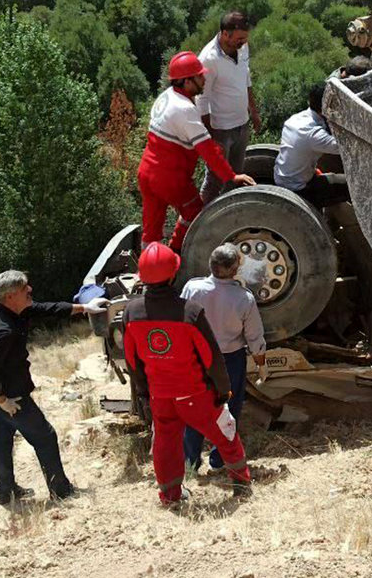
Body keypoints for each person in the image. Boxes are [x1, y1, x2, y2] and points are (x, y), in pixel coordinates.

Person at [123, 242, 252, 505]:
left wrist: (144, 392)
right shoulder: (189, 311)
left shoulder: (131, 311)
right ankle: (240, 483)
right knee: (225, 433)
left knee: (166, 445)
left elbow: (131, 359)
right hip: (195, 393)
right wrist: (222, 389)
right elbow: (211, 356)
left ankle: (170, 494)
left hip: (161, 395)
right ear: (173, 274)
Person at [0, 270, 111, 505]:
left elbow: (48, 309)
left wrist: (85, 308)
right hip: (11, 396)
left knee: (1, 439)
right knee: (45, 437)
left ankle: (5, 492)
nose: (30, 290)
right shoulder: (3, 330)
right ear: (10, 296)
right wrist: (2, 401)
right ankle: (61, 491)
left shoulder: (12, 310)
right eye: (24, 289)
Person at [139, 51, 255, 251]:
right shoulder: (184, 108)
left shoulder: (166, 97)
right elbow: (208, 151)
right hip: (170, 177)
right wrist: (231, 176)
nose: (204, 78)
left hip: (147, 172)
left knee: (151, 229)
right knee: (194, 215)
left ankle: (150, 269)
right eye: (199, 76)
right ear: (186, 81)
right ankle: (177, 254)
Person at [180, 243, 266, 472]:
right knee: (229, 409)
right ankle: (219, 460)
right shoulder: (243, 298)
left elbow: (181, 322)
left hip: (197, 359)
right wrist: (261, 363)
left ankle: (190, 461)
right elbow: (254, 335)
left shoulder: (192, 289)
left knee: (194, 407)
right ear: (234, 268)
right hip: (230, 361)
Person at [198, 11, 262, 203]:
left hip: (242, 123)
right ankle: (198, 221)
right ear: (225, 34)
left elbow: (246, 77)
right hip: (220, 130)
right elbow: (202, 99)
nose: (243, 42)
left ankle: (230, 212)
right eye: (239, 38)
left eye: (245, 38)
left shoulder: (242, 48)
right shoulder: (208, 59)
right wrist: (210, 136)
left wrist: (254, 111)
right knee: (215, 178)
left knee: (236, 174)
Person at [273, 82, 350, 208]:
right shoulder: (314, 135)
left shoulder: (295, 119)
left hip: (283, 179)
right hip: (300, 189)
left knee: (333, 178)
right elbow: (347, 149)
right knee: (351, 185)